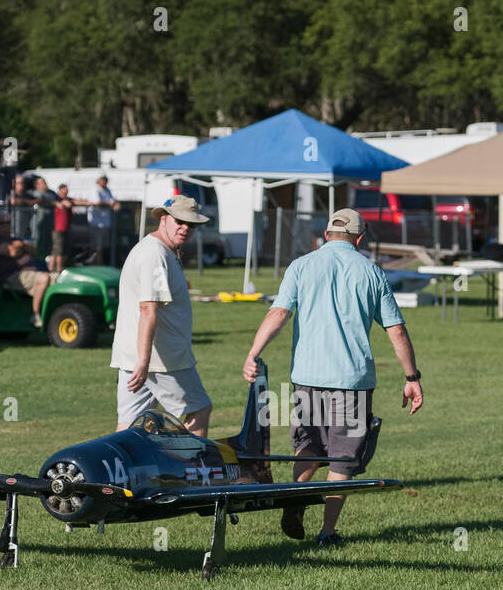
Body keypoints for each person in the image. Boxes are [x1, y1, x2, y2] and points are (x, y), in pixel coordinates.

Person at [242, 208, 424, 547]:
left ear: (326, 235)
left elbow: (279, 313)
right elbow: (396, 330)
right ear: (359, 238)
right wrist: (411, 376)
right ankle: (327, 533)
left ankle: (296, 501)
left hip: (306, 377)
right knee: (342, 457)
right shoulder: (371, 271)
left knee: (307, 446)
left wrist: (253, 353)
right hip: (351, 383)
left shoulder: (301, 266)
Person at [110, 194, 212, 435]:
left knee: (129, 428)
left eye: (192, 225)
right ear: (164, 219)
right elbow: (148, 309)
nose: (186, 228)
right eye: (180, 222)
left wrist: (141, 362)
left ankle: (115, 474)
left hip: (138, 358)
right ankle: (189, 471)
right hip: (160, 359)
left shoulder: (161, 250)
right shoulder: (155, 255)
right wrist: (144, 362)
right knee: (199, 410)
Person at [0, 211, 52, 327]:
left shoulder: (14, 239)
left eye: (8, 222)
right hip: (11, 277)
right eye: (2, 223)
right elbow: (14, 251)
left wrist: (20, 246)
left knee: (59, 277)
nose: (6, 225)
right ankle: (35, 315)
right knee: (44, 278)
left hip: (29, 272)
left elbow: (33, 250)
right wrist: (21, 246)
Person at [87, 175, 120, 264]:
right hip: (97, 224)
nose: (105, 182)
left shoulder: (107, 190)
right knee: (96, 247)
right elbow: (97, 203)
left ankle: (101, 264)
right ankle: (95, 265)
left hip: (106, 223)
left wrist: (115, 203)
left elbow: (113, 201)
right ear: (99, 181)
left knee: (104, 246)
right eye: (103, 180)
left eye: (106, 180)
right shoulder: (95, 189)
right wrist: (111, 204)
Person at [32, 177, 59, 270]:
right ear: (37, 185)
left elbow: (60, 199)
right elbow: (39, 200)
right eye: (41, 182)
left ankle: (48, 267)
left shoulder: (52, 193)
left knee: (50, 247)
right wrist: (54, 203)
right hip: (39, 225)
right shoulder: (36, 193)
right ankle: (38, 266)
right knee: (38, 245)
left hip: (51, 225)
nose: (44, 183)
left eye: (44, 181)